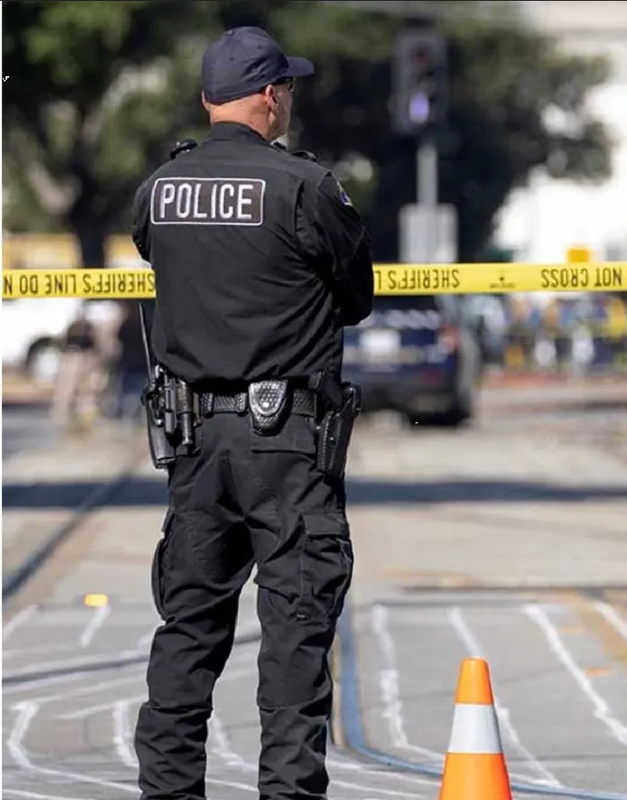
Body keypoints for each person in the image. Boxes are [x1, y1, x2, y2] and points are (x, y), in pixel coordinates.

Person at [130, 27, 374, 800]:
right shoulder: (303, 187)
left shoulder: (159, 190)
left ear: (208, 100)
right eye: (288, 90)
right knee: (296, 640)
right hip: (287, 448)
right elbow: (357, 296)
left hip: (194, 446)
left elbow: (159, 255)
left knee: (188, 634)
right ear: (270, 96)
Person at [49, 307, 100, 431]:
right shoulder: (72, 328)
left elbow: (95, 344)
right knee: (67, 390)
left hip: (86, 359)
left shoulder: (89, 328)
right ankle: (61, 417)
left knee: (86, 393)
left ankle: (85, 420)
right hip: (74, 357)